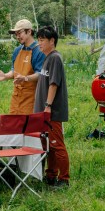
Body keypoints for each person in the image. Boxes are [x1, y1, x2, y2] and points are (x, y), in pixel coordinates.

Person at [33, 26, 70, 188]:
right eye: (38, 40)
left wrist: (48, 105)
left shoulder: (55, 58)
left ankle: (64, 179)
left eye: (42, 40)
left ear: (52, 41)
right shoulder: (47, 58)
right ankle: (51, 174)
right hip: (43, 111)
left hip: (52, 111)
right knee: (48, 145)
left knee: (56, 144)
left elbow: (54, 84)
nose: (39, 43)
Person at [0, 19, 46, 113]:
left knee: (29, 122)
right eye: (16, 34)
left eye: (19, 33)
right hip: (16, 97)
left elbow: (41, 74)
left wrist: (25, 78)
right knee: (14, 121)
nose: (17, 37)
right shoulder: (17, 50)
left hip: (31, 98)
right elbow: (14, 70)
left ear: (29, 32)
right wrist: (6, 76)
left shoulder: (39, 51)